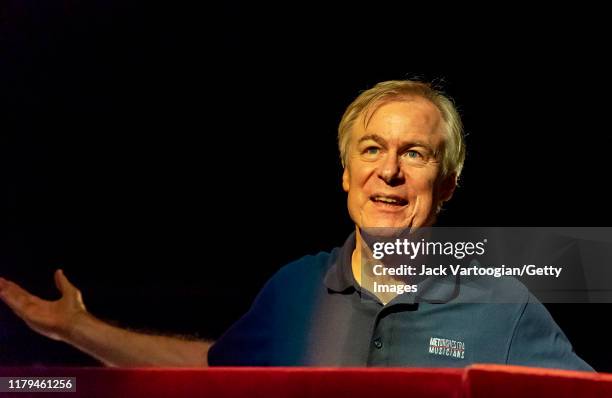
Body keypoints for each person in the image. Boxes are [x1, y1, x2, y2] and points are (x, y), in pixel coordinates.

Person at [0, 80, 593, 370]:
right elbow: (212, 372)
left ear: (447, 185)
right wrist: (76, 329)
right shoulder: (294, 290)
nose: (387, 171)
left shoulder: (504, 305)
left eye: (415, 153)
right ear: (345, 174)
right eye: (370, 149)